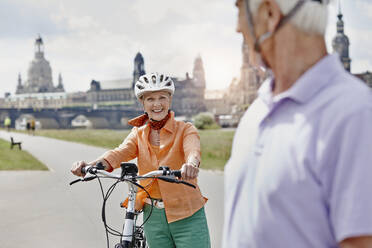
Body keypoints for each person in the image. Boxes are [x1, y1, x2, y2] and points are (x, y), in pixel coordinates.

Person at [223, 0, 372, 247]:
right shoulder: (256, 112)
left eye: (240, 9)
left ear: (270, 13)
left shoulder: (354, 115)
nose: (238, 28)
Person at [71, 73, 211, 248]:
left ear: (170, 100)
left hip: (187, 214)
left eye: (162, 97)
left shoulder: (185, 129)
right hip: (153, 216)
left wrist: (191, 164)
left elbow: (193, 150)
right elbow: (119, 153)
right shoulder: (138, 133)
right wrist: (90, 166)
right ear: (142, 103)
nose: (157, 104)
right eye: (150, 99)